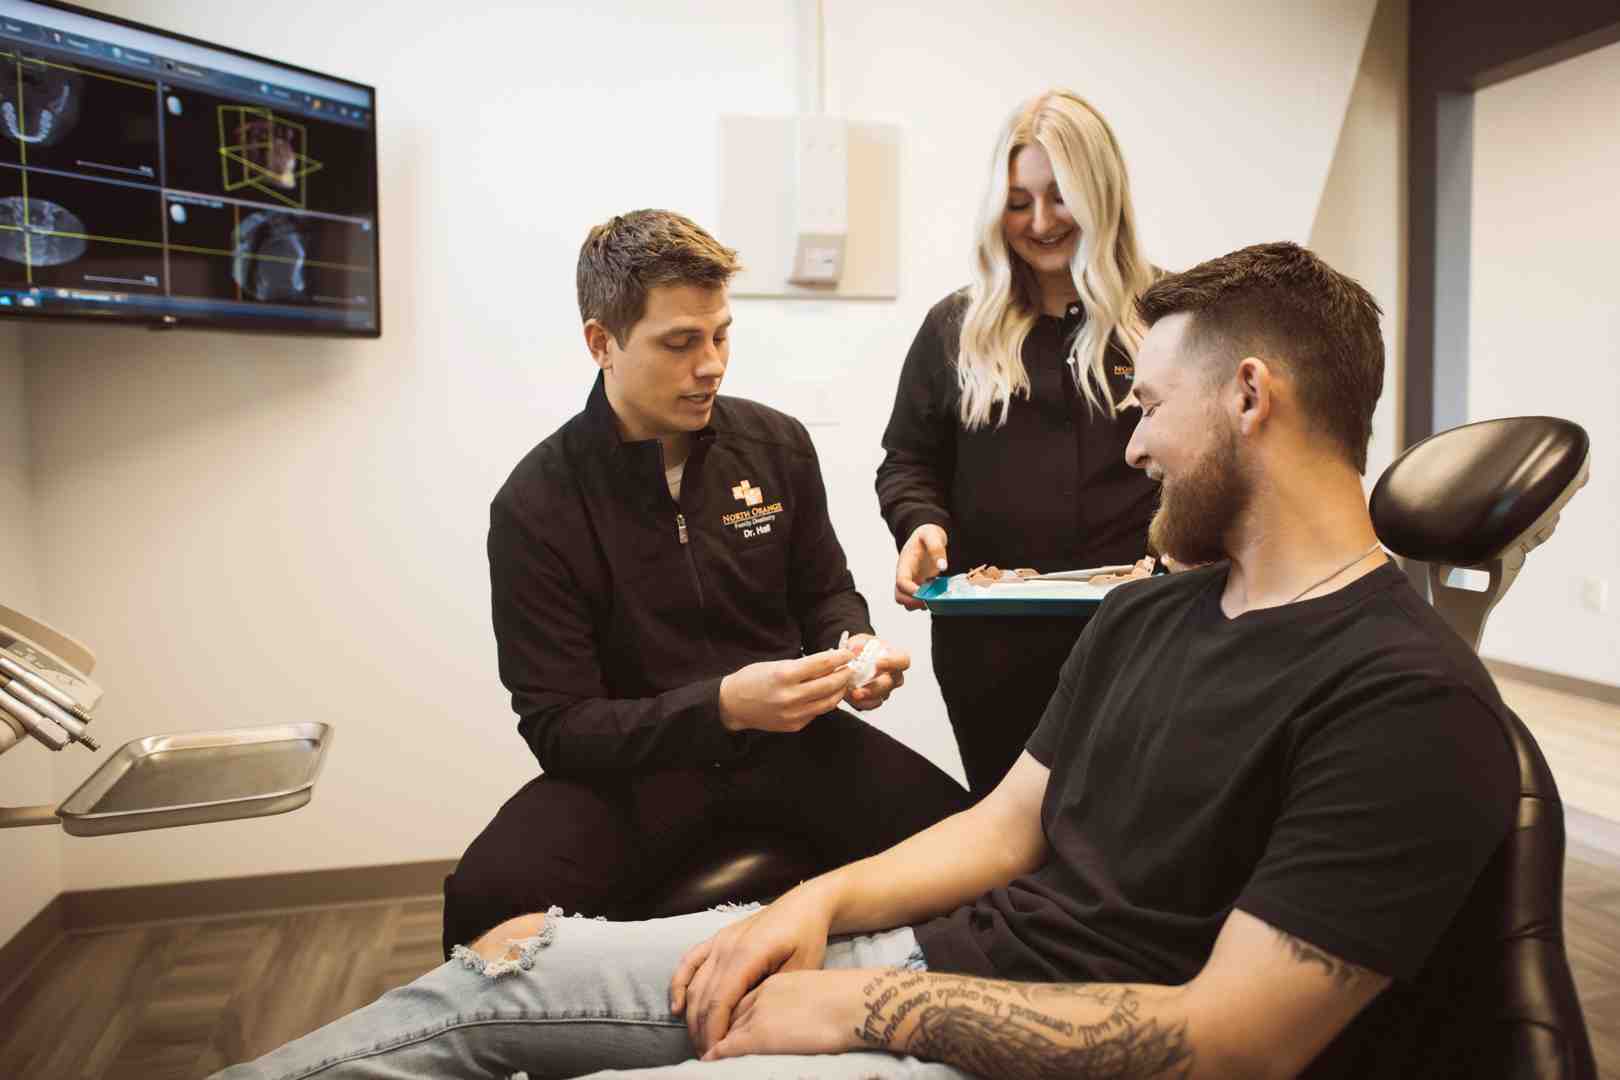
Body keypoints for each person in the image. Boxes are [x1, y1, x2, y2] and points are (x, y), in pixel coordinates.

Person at [214, 242, 1518, 1080]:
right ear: (605, 343)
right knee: (491, 978)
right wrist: (814, 911)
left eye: (1148, 410)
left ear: (1248, 398)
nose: (1130, 451)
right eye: (682, 340)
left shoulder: (1406, 701)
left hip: (1017, 1037)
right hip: (899, 935)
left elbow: (1232, 1044)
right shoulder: (1145, 614)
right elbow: (1011, 825)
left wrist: (854, 1009)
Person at [439, 210, 969, 956]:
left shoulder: (776, 445)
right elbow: (559, 727)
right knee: (482, 904)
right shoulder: (537, 504)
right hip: (633, 780)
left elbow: (824, 592)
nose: (712, 364)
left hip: (795, 750)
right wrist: (721, 708)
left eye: (720, 334)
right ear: (602, 344)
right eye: (680, 342)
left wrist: (853, 648)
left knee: (969, 847)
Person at [877, 90, 1160, 797]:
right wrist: (921, 526)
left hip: (1142, 638)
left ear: (1103, 195)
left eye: (1061, 197)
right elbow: (909, 462)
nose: (1040, 223)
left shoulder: (1170, 319)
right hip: (992, 646)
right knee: (1007, 842)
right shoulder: (957, 327)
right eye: (1017, 202)